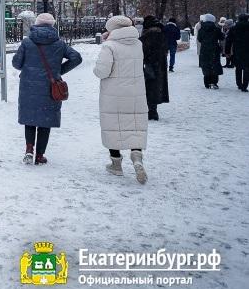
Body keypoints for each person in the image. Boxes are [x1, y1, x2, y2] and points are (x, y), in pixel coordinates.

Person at [12, 13, 82, 165]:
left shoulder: (27, 42)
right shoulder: (59, 43)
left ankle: (29, 150)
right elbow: (77, 58)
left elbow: (16, 64)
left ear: (36, 24)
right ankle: (39, 156)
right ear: (52, 26)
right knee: (45, 120)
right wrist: (59, 71)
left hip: (29, 87)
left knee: (30, 118)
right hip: (50, 87)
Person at [93, 15, 149, 184]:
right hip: (136, 92)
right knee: (134, 126)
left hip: (113, 94)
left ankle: (116, 164)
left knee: (113, 127)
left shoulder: (109, 46)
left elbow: (101, 72)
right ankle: (137, 157)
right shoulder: (138, 44)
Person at [140, 16, 169, 121]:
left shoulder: (146, 37)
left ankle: (150, 111)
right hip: (160, 66)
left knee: (148, 88)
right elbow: (166, 49)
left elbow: (142, 51)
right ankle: (153, 110)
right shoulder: (162, 35)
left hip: (148, 66)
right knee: (156, 88)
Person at [197, 14, 225, 89]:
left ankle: (207, 83)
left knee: (206, 65)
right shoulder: (216, 29)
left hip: (204, 50)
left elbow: (199, 39)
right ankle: (214, 82)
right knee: (214, 65)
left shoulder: (201, 29)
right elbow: (222, 37)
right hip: (214, 49)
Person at [225, 14, 249, 92]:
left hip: (237, 50)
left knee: (238, 68)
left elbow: (228, 41)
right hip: (247, 51)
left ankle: (239, 84)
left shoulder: (234, 28)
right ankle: (245, 86)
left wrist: (227, 51)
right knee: (247, 68)